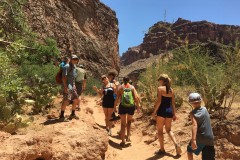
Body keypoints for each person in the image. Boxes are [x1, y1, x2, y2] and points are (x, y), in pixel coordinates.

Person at [152, 74, 182, 155]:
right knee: (169, 130)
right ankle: (176, 144)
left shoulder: (160, 89)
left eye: (159, 80)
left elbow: (159, 102)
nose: (159, 82)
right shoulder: (171, 90)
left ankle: (162, 149)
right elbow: (173, 103)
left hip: (161, 111)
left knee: (160, 131)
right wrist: (174, 114)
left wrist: (154, 112)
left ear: (162, 81)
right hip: (169, 112)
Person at [187, 92, 215, 160]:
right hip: (210, 138)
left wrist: (193, 140)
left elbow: (194, 125)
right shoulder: (205, 109)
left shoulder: (192, 113)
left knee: (189, 150)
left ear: (191, 103)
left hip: (200, 138)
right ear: (200, 101)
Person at [114, 76, 140, 147]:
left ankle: (123, 142)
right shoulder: (132, 87)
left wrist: (114, 107)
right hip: (131, 106)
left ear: (123, 80)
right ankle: (128, 137)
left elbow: (117, 98)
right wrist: (138, 107)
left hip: (123, 106)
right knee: (129, 122)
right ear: (129, 80)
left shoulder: (120, 87)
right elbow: (136, 98)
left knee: (123, 124)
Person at [59, 55, 79, 121]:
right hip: (68, 86)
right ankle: (61, 116)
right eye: (73, 59)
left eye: (76, 59)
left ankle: (72, 114)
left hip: (72, 86)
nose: (75, 60)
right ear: (71, 59)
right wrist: (65, 87)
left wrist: (74, 85)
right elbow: (64, 77)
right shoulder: (67, 66)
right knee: (66, 100)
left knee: (76, 99)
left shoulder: (74, 67)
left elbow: (73, 78)